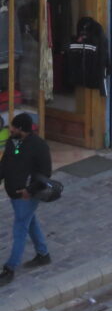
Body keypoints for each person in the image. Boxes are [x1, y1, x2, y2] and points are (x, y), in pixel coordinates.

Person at [0, 114, 52, 285]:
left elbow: (45, 173)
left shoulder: (39, 146)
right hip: (14, 195)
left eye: (13, 127)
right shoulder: (13, 142)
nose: (10, 129)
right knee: (30, 222)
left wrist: (29, 190)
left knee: (19, 229)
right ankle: (43, 254)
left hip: (27, 196)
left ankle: (10, 268)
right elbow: (5, 165)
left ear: (21, 128)